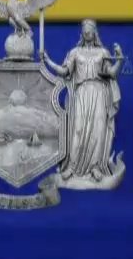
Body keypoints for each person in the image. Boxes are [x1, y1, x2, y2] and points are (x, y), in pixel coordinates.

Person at [43, 20, 124, 188]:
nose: (87, 32)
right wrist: (48, 60)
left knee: (98, 129)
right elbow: (65, 71)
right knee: (77, 129)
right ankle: (72, 167)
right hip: (81, 93)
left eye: (90, 29)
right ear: (82, 32)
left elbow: (111, 73)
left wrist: (119, 59)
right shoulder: (75, 52)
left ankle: (95, 167)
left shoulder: (103, 52)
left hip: (99, 93)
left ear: (95, 32)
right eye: (84, 29)